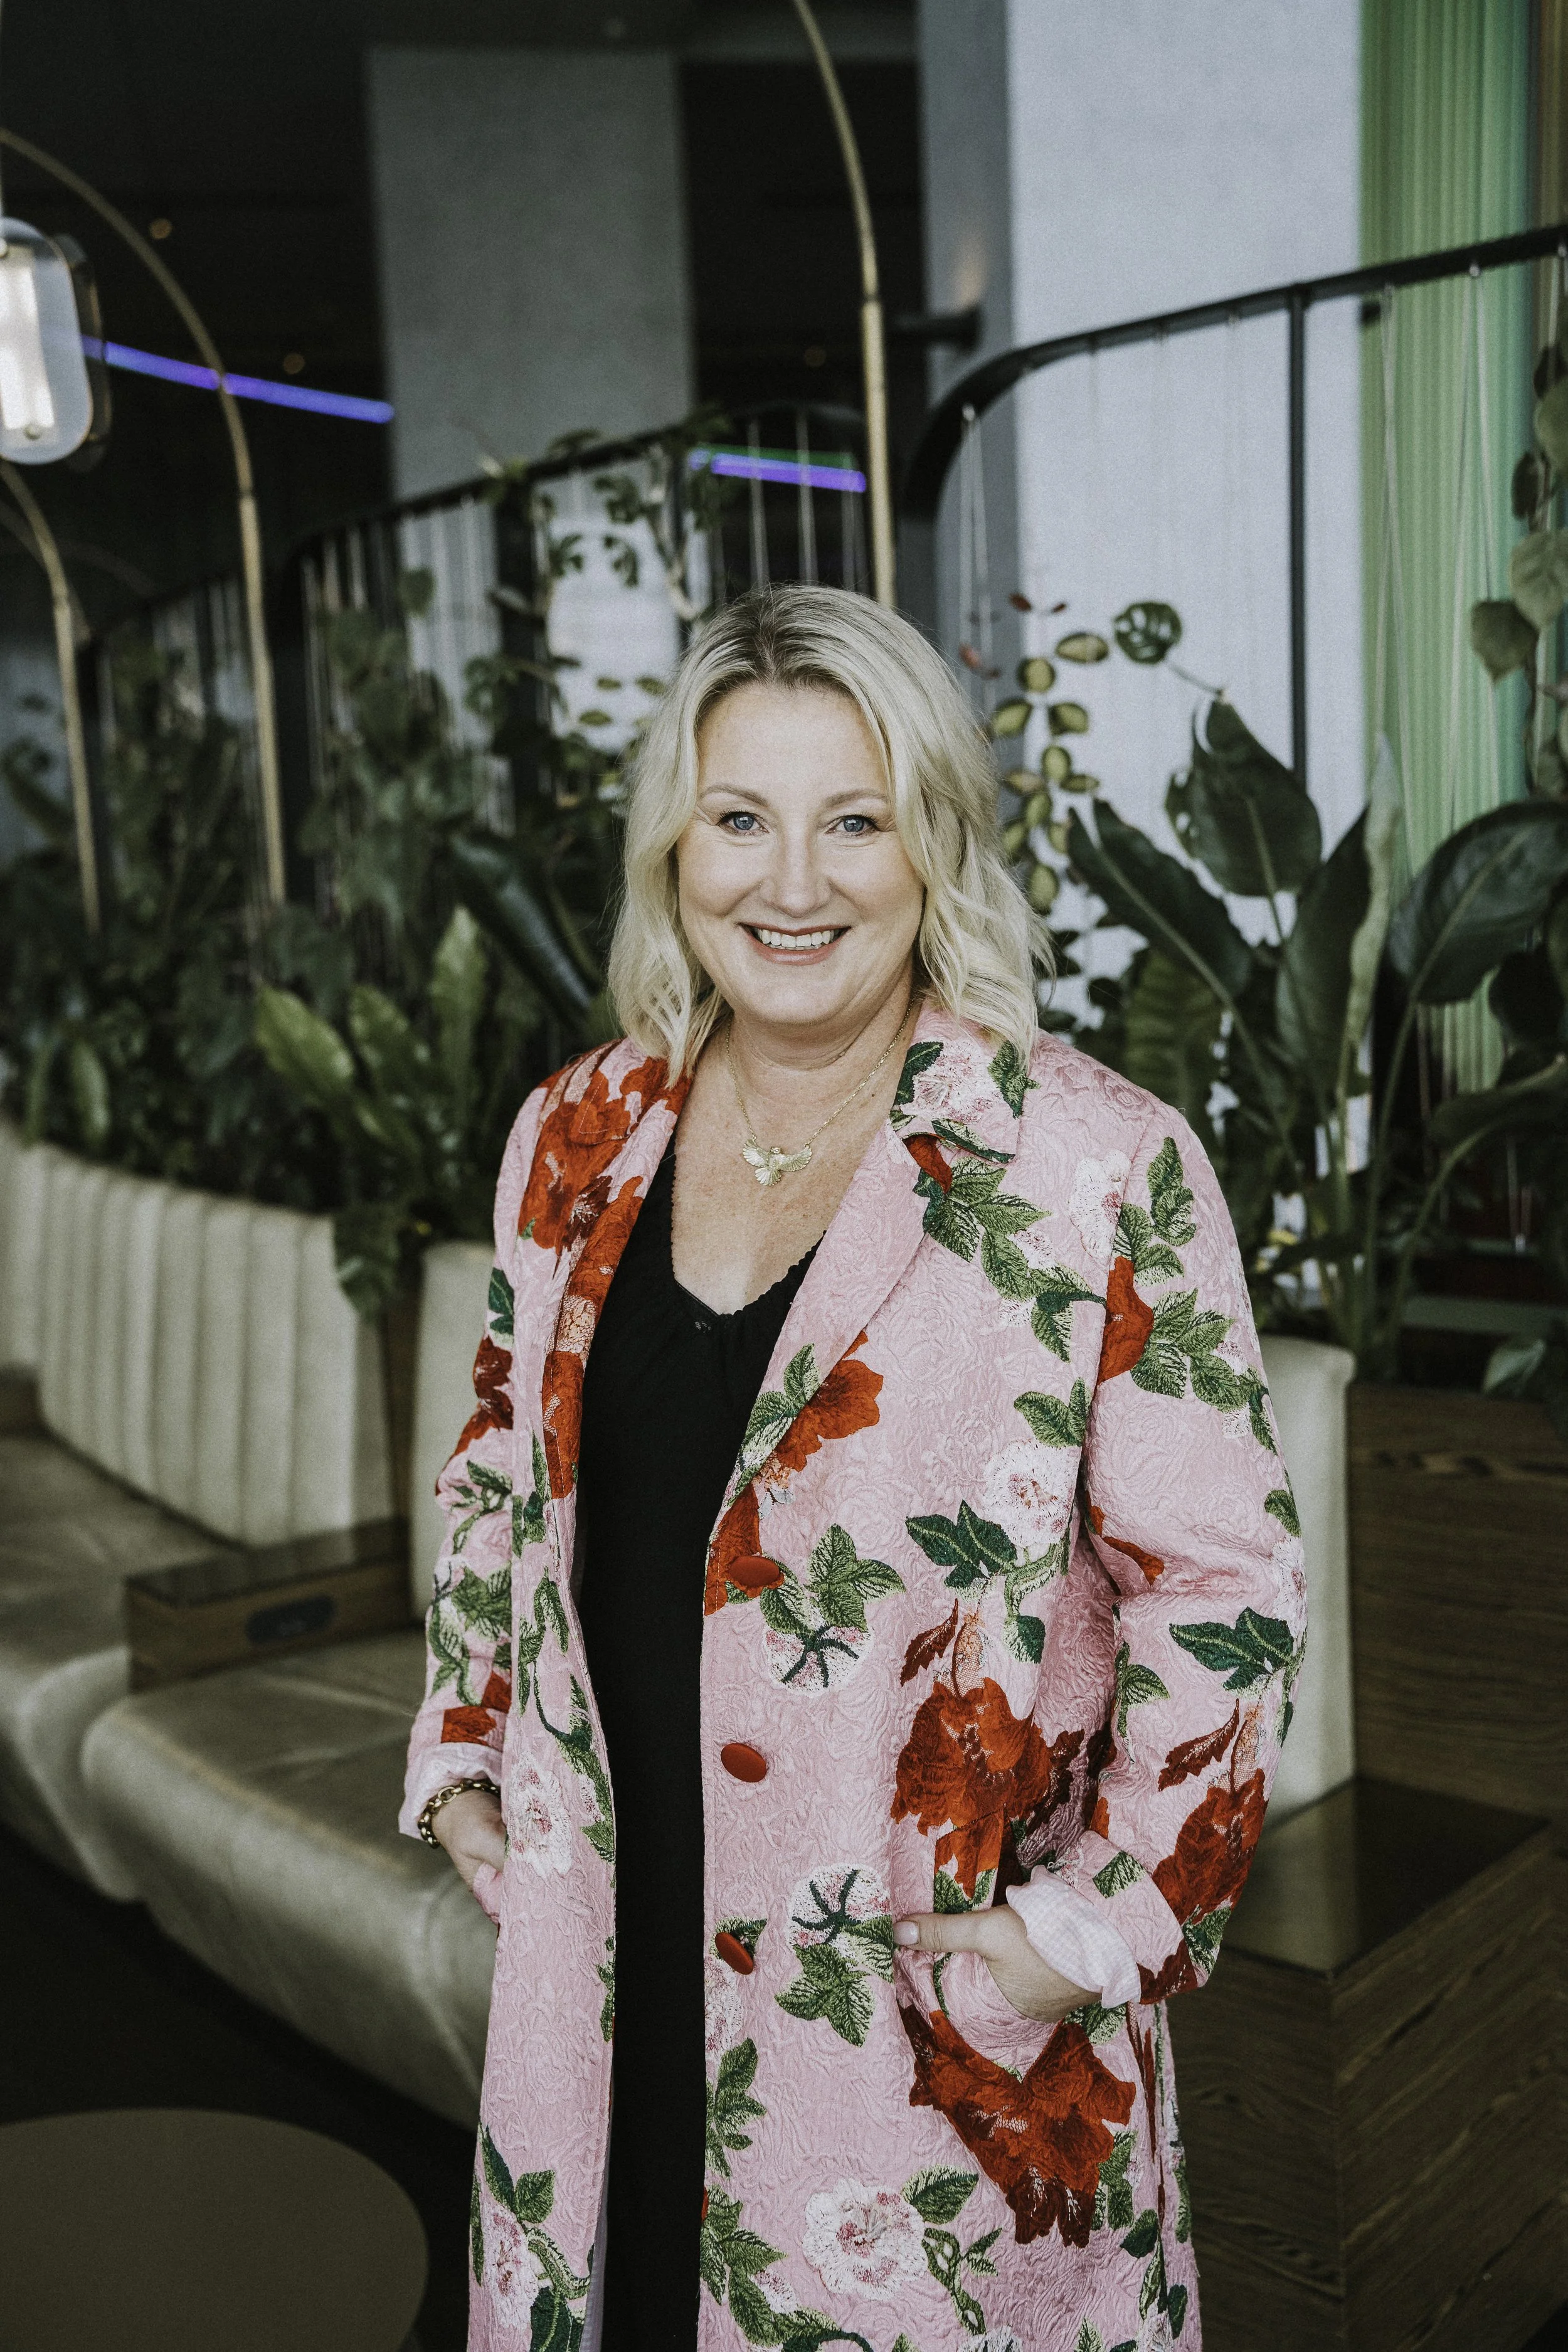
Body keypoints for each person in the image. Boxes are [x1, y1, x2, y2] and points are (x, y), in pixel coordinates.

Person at [401, 584, 1304, 2352]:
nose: (791, 881)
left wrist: (1090, 1927)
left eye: (855, 820)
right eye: (740, 818)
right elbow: (500, 1458)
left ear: (933, 845)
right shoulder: (577, 1133)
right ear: (675, 848)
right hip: (601, 1971)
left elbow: (1227, 1590)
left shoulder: (1090, 1167)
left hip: (917, 2033)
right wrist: (462, 1747)